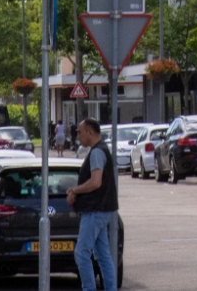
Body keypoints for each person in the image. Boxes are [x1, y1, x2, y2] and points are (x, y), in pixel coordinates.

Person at [67, 118, 118, 291]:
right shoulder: (102, 150)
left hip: (95, 210)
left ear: (90, 132)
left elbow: (95, 182)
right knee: (103, 255)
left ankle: (89, 288)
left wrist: (75, 190)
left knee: (81, 253)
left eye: (80, 132)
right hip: (103, 209)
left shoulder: (97, 153)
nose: (77, 136)